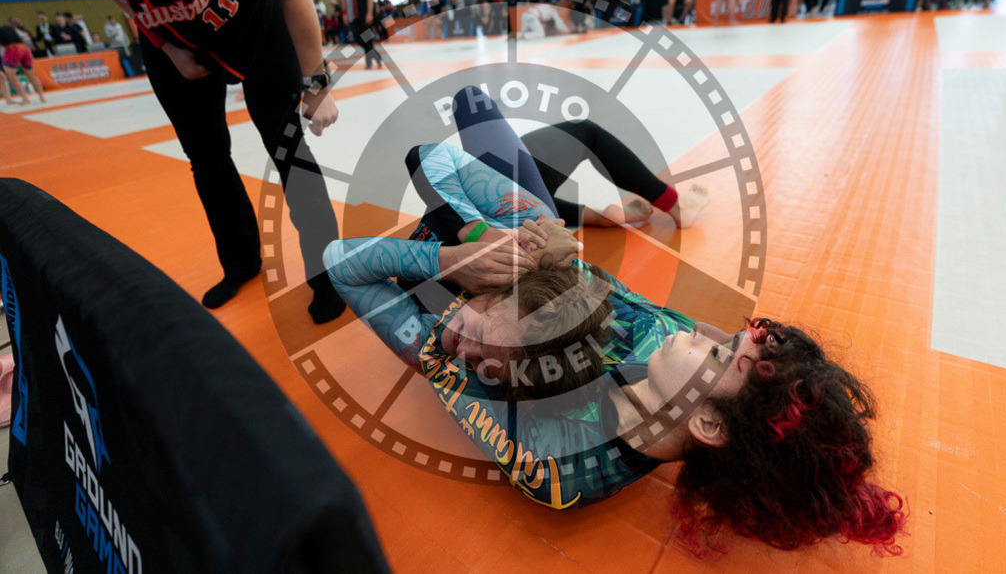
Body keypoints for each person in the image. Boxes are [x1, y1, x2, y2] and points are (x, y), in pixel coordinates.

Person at [328, 89, 908, 556]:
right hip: (524, 253)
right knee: (476, 106)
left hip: (437, 282)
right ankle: (588, 216)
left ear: (707, 422)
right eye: (727, 337)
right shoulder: (675, 349)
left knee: (467, 167)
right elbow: (433, 159)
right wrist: (492, 235)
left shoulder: (555, 462)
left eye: (718, 353)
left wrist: (446, 261)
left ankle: (546, 225)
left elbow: (343, 265)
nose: (704, 331)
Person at [2, 0, 347, 322]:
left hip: (251, 20)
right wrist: (166, 46)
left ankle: (328, 272)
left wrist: (316, 86)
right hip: (173, 36)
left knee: (287, 147)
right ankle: (240, 262)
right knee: (205, 158)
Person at [1, 23, 46, 104]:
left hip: (12, 49)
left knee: (11, 76)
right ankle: (42, 96)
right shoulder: (8, 27)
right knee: (31, 75)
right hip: (24, 48)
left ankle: (25, 98)